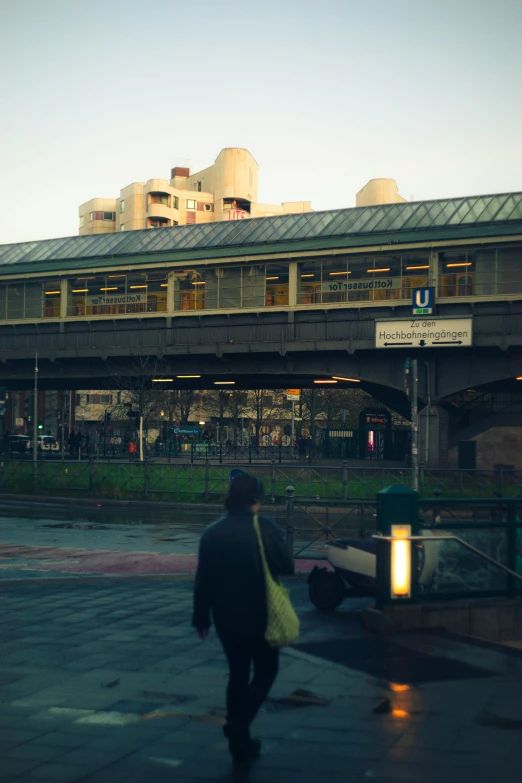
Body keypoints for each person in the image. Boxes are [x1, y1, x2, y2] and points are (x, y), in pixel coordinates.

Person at [193, 474, 294, 763]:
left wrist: (201, 618)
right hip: (261, 613)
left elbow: (203, 580)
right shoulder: (265, 528)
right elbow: (287, 565)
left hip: (225, 616)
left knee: (238, 672)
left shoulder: (212, 532)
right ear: (256, 499)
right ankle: (239, 724)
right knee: (266, 671)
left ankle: (240, 740)